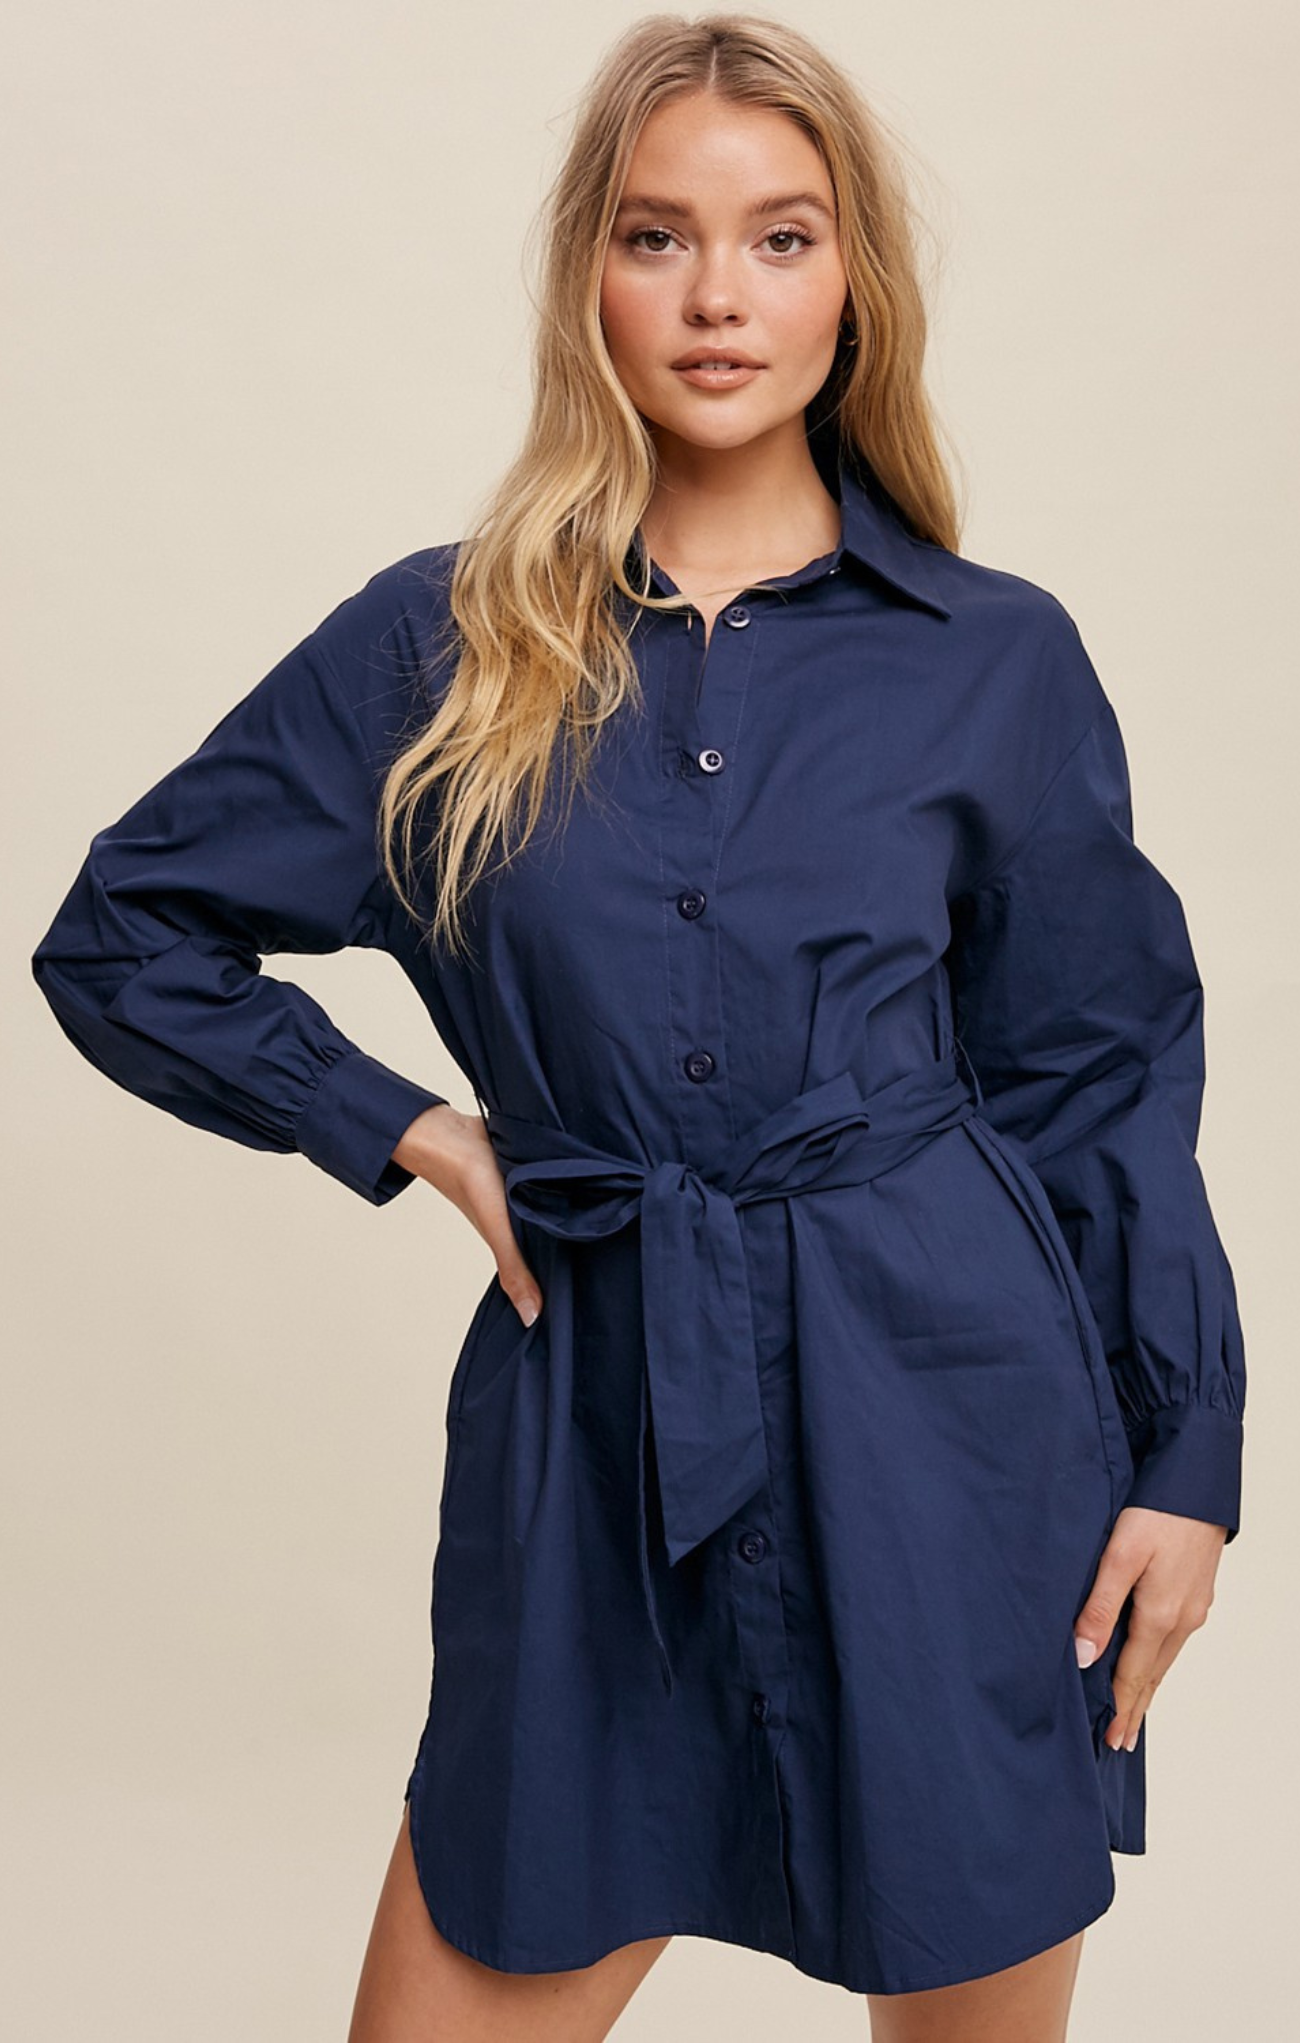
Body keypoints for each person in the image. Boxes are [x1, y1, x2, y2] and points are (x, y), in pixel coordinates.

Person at [30, 13, 1247, 2042]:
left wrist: (1184, 1464)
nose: (714, 297)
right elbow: (123, 933)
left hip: (946, 1427)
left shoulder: (993, 659)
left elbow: (1097, 1081)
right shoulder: (434, 645)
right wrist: (416, 1129)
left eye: (780, 237)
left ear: (852, 281)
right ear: (585, 276)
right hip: (588, 1426)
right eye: (656, 235)